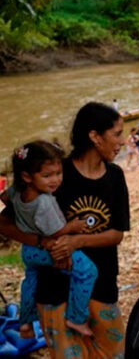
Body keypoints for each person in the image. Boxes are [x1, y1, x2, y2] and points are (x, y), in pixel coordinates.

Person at [0, 101, 130, 357]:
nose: (123, 141)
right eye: (116, 134)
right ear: (94, 136)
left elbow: (116, 234)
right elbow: (3, 221)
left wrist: (76, 242)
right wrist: (39, 241)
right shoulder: (53, 175)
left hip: (101, 285)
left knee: (114, 353)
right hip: (55, 293)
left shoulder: (114, 176)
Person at [6, 141, 96, 338]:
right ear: (27, 176)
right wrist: (74, 226)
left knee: (31, 280)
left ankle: (26, 323)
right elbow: (56, 231)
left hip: (28, 250)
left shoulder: (17, 192)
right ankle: (76, 317)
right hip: (47, 248)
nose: (55, 180)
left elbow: (4, 198)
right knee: (87, 271)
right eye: (47, 176)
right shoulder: (45, 201)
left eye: (58, 173)